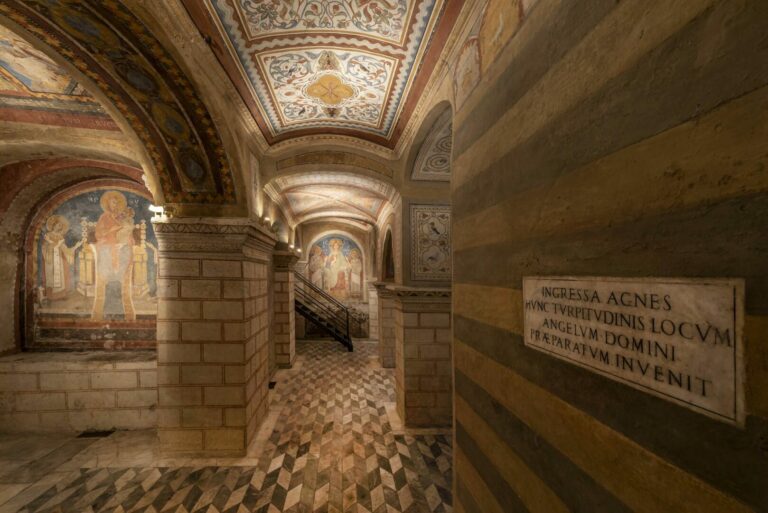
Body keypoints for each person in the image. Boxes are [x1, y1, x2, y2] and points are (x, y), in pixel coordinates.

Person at [92, 191, 136, 320]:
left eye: (116, 202)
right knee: (105, 253)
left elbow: (129, 234)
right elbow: (98, 234)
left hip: (121, 247)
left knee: (125, 252)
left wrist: (122, 244)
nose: (114, 205)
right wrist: (110, 231)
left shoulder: (122, 217)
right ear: (107, 204)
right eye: (112, 202)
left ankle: (119, 275)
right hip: (106, 246)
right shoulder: (104, 217)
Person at [40, 215, 81, 301]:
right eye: (59, 225)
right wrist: (53, 243)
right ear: (54, 225)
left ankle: (60, 295)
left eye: (61, 226)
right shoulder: (48, 235)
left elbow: (65, 249)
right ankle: (51, 296)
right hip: (51, 260)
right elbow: (45, 248)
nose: (60, 227)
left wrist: (75, 247)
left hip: (59, 259)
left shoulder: (60, 237)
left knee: (61, 277)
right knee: (52, 277)